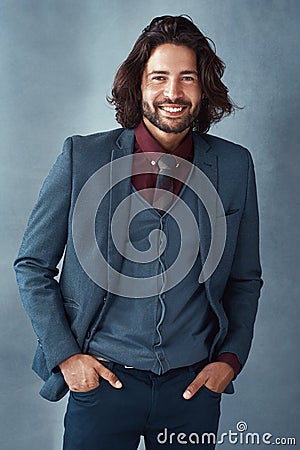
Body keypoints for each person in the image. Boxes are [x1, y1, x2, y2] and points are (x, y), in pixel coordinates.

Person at [14, 15, 263, 450]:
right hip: (103, 384)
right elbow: (32, 265)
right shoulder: (82, 158)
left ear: (203, 89)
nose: (173, 92)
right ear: (139, 86)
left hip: (193, 391)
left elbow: (245, 278)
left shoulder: (235, 165)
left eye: (187, 78)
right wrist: (68, 358)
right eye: (159, 77)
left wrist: (229, 360)